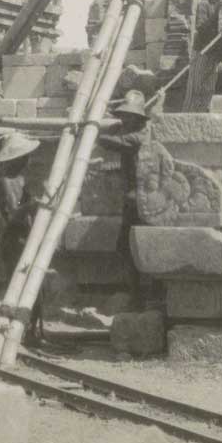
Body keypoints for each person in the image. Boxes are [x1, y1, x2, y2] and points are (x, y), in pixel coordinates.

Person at [97, 90, 151, 308]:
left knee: (133, 247)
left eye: (128, 116)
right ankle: (136, 292)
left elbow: (111, 142)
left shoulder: (138, 136)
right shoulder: (128, 131)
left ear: (137, 119)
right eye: (123, 116)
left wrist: (92, 130)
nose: (124, 120)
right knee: (126, 248)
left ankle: (140, 295)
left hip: (139, 199)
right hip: (132, 199)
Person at [0, 130, 44, 344]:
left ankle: (32, 327)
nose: (27, 160)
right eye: (23, 156)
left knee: (36, 286)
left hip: (27, 236)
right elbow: (13, 214)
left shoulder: (22, 179)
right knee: (17, 284)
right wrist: (31, 205)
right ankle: (16, 329)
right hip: (14, 239)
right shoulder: (4, 182)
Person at [186, 0, 222, 111]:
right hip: (201, 52)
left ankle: (202, 118)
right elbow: (201, 28)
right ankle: (188, 118)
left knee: (209, 90)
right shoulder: (204, 5)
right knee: (195, 88)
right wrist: (218, 13)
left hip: (215, 54)